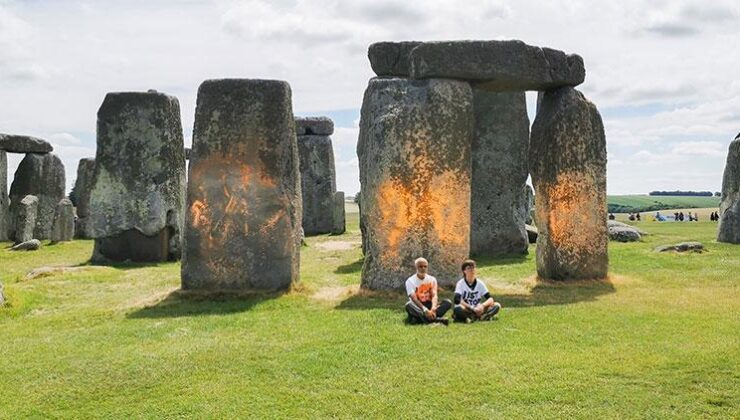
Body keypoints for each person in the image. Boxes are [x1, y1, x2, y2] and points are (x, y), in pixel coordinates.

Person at [404, 257, 451, 325]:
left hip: (430, 304)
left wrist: (433, 308)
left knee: (447, 302)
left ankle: (422, 319)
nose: (423, 268)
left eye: (425, 266)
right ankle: (435, 320)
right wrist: (425, 310)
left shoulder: (432, 279)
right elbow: (414, 299)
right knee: (408, 305)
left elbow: (434, 295)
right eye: (420, 266)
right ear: (416, 267)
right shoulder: (410, 281)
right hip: (418, 306)